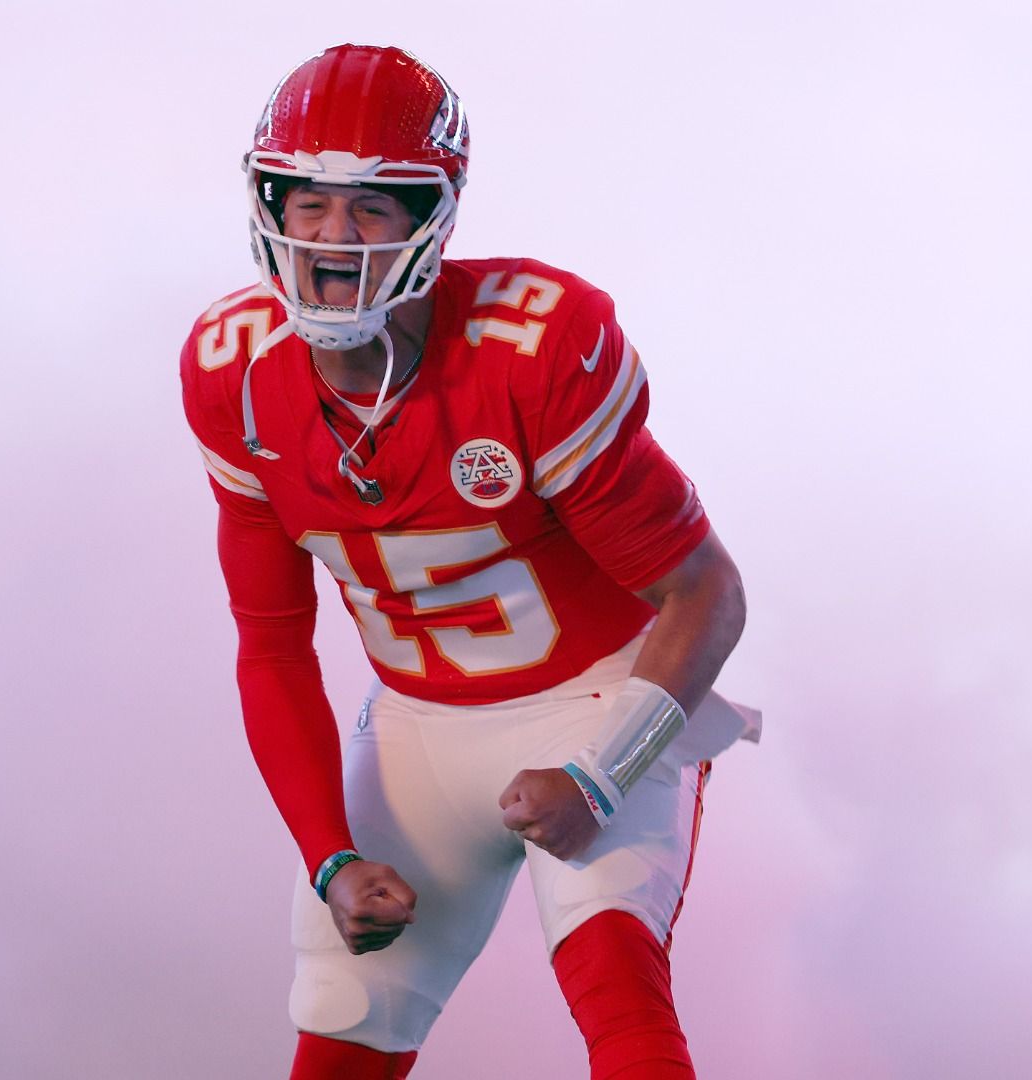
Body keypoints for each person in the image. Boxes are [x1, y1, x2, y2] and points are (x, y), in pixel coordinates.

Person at [179, 44, 759, 1080]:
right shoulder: (236, 374)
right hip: (417, 726)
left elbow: (706, 593)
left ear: (431, 220)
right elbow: (271, 648)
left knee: (616, 987)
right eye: (307, 203)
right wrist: (329, 855)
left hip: (594, 697)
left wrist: (603, 774)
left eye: (371, 208)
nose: (332, 238)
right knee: (344, 1020)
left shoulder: (533, 350)